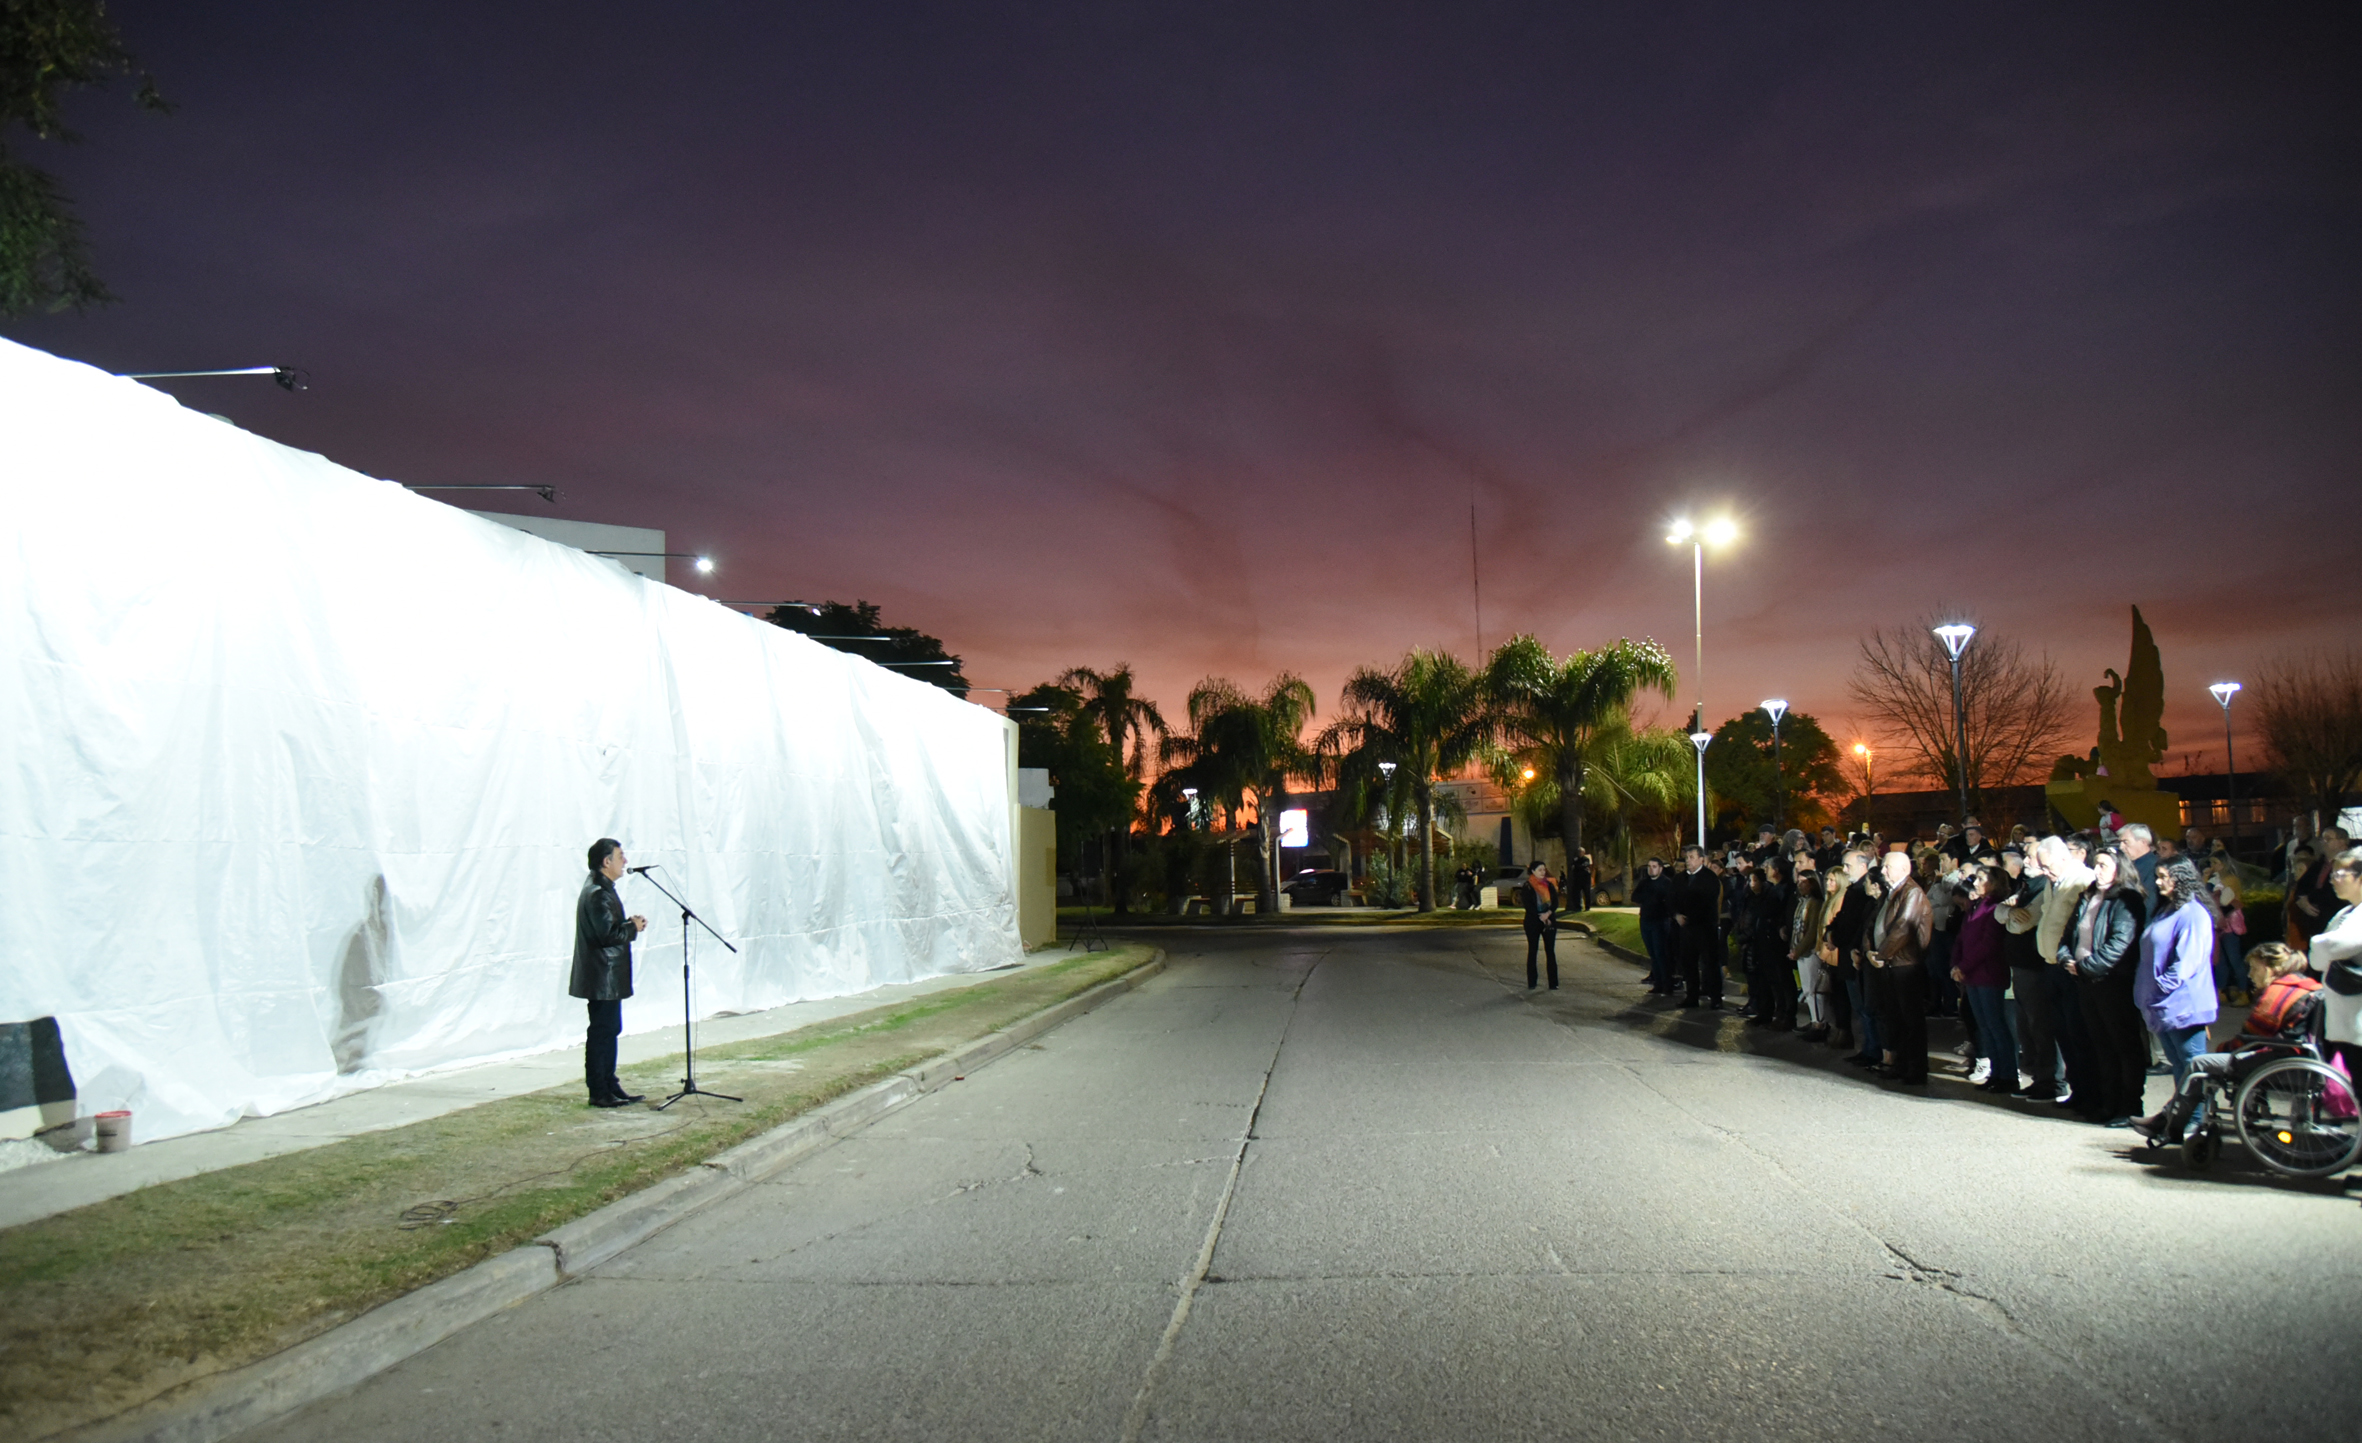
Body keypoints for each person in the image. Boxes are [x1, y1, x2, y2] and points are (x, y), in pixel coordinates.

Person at [2135, 942, 2322, 1144]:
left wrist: (2223, 1049)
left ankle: (2171, 1125)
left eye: (2254, 968)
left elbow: (2252, 1035)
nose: (2250, 974)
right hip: (2299, 1059)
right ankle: (2168, 1117)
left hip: (2278, 1062)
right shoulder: (2307, 986)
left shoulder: (2278, 993)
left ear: (2269, 968)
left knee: (2200, 1063)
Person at [2061, 847, 2148, 1127]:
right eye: (2095, 864)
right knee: (2100, 1044)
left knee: (2123, 1045)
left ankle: (2129, 1105)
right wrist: (2066, 958)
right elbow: (2069, 933)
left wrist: (2086, 967)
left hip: (2113, 983)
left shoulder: (2127, 899)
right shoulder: (2088, 895)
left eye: (2103, 865)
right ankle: (2107, 1102)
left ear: (2119, 869)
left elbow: (2120, 944)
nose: (2097, 870)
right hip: (2086, 982)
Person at [572, 838, 650, 1108]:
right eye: (620, 856)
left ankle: (609, 1082)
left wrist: (627, 924)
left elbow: (607, 928)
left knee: (610, 1029)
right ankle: (599, 1090)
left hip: (606, 976)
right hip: (601, 976)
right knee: (602, 1031)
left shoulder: (602, 889)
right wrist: (633, 928)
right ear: (606, 862)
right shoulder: (597, 893)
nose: (625, 861)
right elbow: (607, 935)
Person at [2134, 857, 2219, 1089]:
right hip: (2164, 1004)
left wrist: (2157, 987)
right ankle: (2180, 1118)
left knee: (2192, 1066)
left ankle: (2194, 1120)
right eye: (2158, 877)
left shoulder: (2193, 914)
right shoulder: (2169, 910)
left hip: (2182, 1004)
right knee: (2180, 1066)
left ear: (2181, 878)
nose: (2158, 883)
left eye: (2164, 877)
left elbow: (2186, 963)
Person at [1865, 848, 1933, 1083]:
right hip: (1891, 963)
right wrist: (1870, 950)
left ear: (1904, 869)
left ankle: (1915, 1068)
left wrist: (1881, 954)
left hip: (1905, 964)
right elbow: (1875, 921)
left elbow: (1903, 927)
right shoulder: (1892, 892)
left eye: (1887, 867)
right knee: (1896, 1017)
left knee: (1910, 1019)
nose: (1882, 871)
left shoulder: (1911, 892)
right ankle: (1902, 1063)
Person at [1952, 867, 2017, 1094]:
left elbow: (1988, 944)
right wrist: (1956, 964)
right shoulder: (1976, 906)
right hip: (1972, 974)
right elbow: (1962, 938)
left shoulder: (1995, 907)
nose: (1976, 882)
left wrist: (1964, 965)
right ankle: (1996, 1073)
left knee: (1996, 1025)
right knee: (1984, 1026)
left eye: (1981, 879)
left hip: (1988, 973)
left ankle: (2008, 1074)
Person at [2303, 846, 2362, 1078]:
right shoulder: (2346, 913)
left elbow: (2330, 946)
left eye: (2339, 874)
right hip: (2347, 1024)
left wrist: (2318, 943)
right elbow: (2318, 961)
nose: (2332, 880)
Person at [1669, 845, 1724, 1008]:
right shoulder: (1679, 879)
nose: (1688, 861)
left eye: (1692, 857)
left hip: (1705, 927)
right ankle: (1691, 996)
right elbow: (1671, 899)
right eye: (1687, 857)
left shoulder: (1709, 878)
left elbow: (1707, 901)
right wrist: (1676, 915)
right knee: (1688, 963)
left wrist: (1692, 916)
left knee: (1710, 963)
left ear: (1701, 859)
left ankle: (1715, 998)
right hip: (1686, 929)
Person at [2289, 826, 2350, 948]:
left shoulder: (2350, 864)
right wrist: (2302, 900)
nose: (2323, 842)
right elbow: (2301, 885)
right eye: (2322, 839)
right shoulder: (2319, 864)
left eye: (2328, 839)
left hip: (2339, 924)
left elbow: (2339, 893)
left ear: (2342, 842)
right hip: (2316, 926)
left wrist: (2313, 900)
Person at [1790, 862, 1828, 1038]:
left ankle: (1819, 1024)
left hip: (1810, 951)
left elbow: (1812, 930)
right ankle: (1814, 1020)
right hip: (1801, 950)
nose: (1800, 885)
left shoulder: (1816, 903)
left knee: (1814, 989)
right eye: (1799, 881)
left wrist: (1799, 949)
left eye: (1804, 881)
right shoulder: (1802, 902)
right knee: (1807, 989)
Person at [2204, 854, 2248, 1005]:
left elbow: (2228, 900)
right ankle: (2220, 991)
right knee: (2220, 959)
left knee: (2234, 958)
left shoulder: (2230, 879)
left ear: (2223, 864)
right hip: (2218, 923)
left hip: (2229, 923)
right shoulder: (2213, 879)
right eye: (2211, 862)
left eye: (2215, 862)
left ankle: (2244, 991)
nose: (2213, 865)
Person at [1634, 857, 1674, 993]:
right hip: (1646, 920)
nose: (1651, 869)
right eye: (1649, 866)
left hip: (1660, 921)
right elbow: (1635, 896)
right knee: (1652, 953)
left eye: (1654, 866)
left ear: (1660, 868)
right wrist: (1647, 898)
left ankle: (1667, 984)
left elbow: (1669, 901)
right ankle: (1658, 983)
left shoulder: (1666, 883)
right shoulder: (1644, 883)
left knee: (1660, 953)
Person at [1521, 861, 1561, 988]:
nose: (1543, 872)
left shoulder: (1549, 885)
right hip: (1533, 921)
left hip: (1549, 921)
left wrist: (1548, 914)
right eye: (1540, 870)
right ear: (1533, 871)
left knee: (1550, 951)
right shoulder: (1527, 886)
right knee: (1533, 951)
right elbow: (1528, 905)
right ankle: (1532, 982)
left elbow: (1555, 903)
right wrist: (1540, 916)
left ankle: (1553, 983)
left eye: (1544, 869)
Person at [2119, 823, 2159, 909]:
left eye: (2125, 842)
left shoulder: (2154, 866)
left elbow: (2149, 902)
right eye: (2120, 842)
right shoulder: (2128, 864)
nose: (2121, 847)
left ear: (2143, 842)